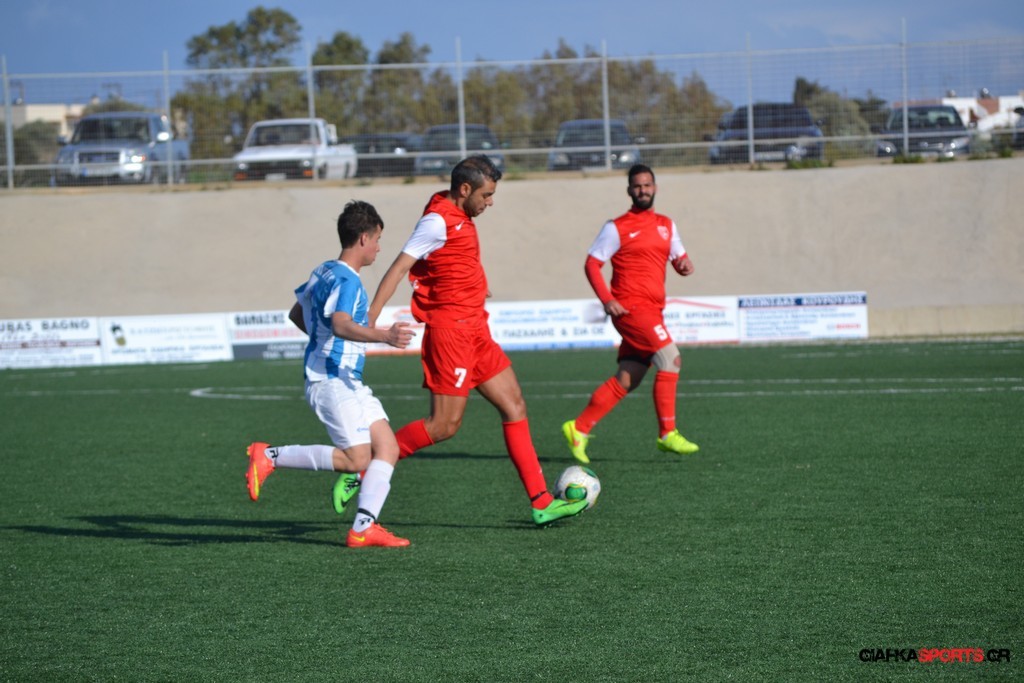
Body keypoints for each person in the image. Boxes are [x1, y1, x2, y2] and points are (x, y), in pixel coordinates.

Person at [367, 155, 588, 526]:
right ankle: (365, 467)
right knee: (444, 426)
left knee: (514, 405)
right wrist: (372, 318)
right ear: (465, 189)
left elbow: (452, 261)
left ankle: (541, 501)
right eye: (486, 195)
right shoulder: (436, 221)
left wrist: (475, 285)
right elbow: (399, 267)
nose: (490, 202)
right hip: (451, 333)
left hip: (476, 330)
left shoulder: (460, 215)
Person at [245, 200, 415, 548]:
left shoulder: (324, 270)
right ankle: (270, 456)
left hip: (348, 378)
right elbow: (340, 324)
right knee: (357, 459)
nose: (379, 248)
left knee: (388, 447)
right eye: (378, 239)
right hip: (331, 381)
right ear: (364, 238)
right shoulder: (348, 282)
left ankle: (363, 528)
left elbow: (297, 314)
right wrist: (383, 336)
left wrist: (323, 341)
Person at [562, 164, 700, 463]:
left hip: (654, 310)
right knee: (671, 359)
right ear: (629, 190)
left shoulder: (666, 225)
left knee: (628, 377)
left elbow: (680, 258)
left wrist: (684, 266)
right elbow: (592, 264)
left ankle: (579, 428)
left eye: (647, 185)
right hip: (631, 309)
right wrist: (607, 299)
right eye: (637, 186)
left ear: (655, 188)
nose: (643, 190)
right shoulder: (617, 227)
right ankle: (667, 434)